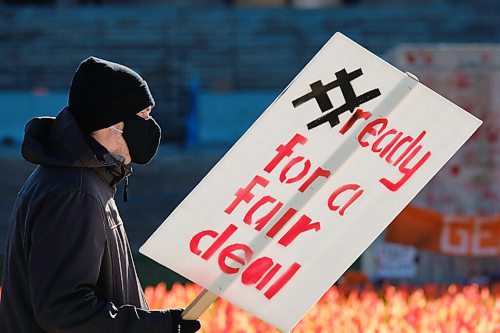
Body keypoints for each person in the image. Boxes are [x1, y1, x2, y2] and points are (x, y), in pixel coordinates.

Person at [0, 56, 201, 333]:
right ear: (112, 122)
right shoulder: (74, 192)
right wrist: (161, 326)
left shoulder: (80, 178)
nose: (151, 126)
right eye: (143, 116)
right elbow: (64, 310)